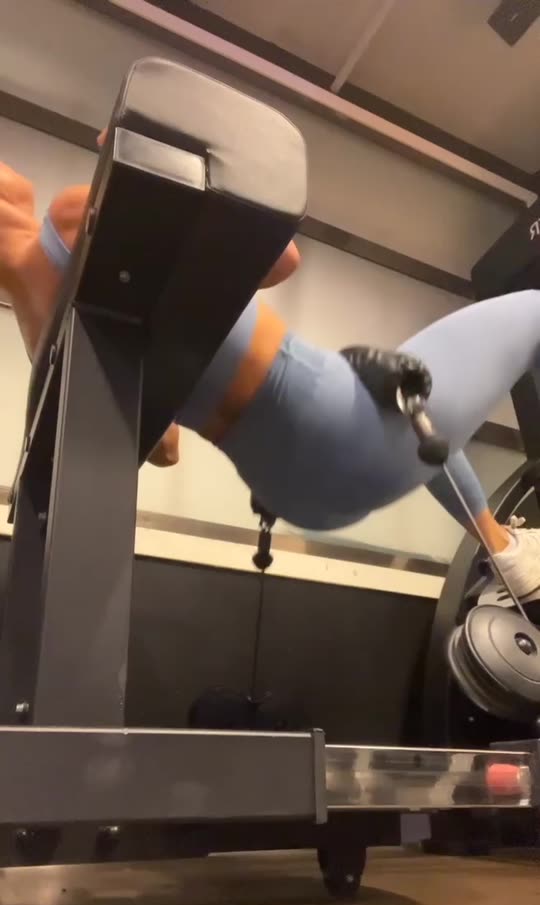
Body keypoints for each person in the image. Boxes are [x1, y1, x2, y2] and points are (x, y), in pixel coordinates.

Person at [1, 149, 540, 605]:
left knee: (413, 406)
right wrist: (161, 169)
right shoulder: (72, 218)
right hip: (333, 424)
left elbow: (163, 446)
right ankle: (506, 551)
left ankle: (504, 551)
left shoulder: (43, 342)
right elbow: (283, 257)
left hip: (296, 493)